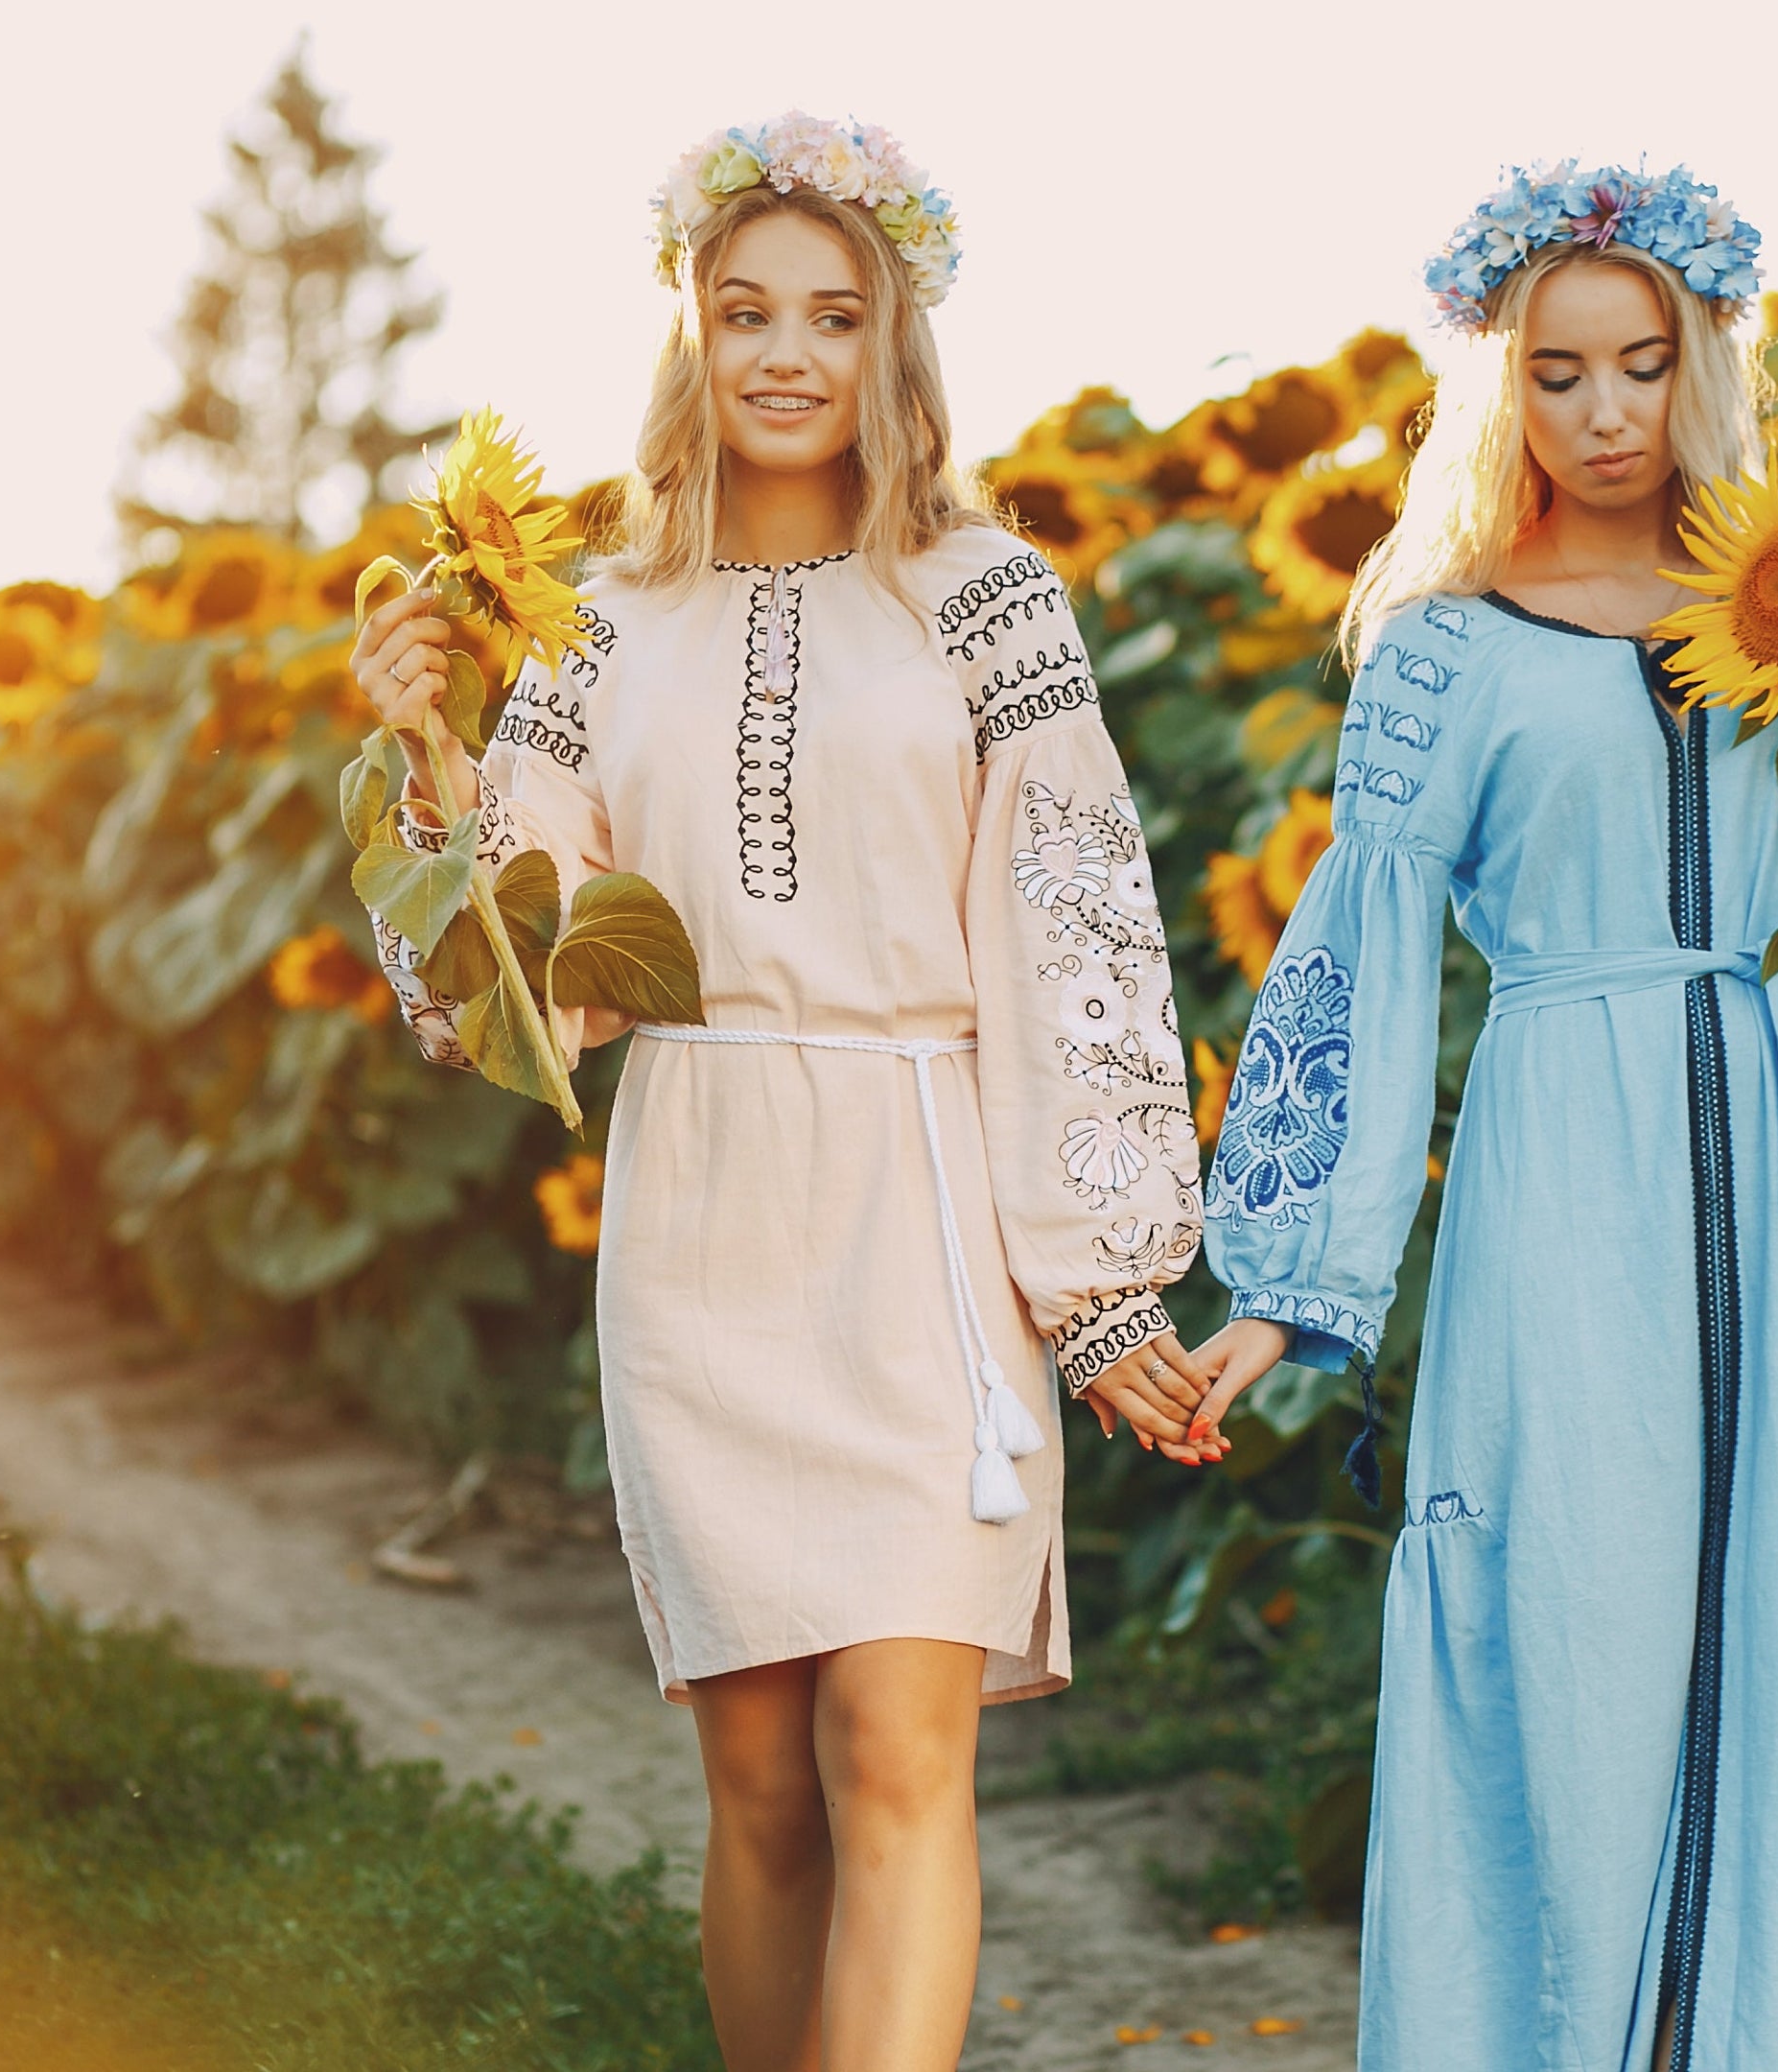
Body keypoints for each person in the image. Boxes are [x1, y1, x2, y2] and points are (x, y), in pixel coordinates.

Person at [348, 114, 1218, 2071]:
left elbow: (1073, 921)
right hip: (703, 1216)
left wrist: (1097, 1288)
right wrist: (426, 766)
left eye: (835, 314)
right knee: (758, 1783)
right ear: (689, 329)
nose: (788, 354)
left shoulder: (986, 593)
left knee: (898, 1749)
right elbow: (527, 989)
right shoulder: (599, 615)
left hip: (926, 1218)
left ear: (894, 338)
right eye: (745, 311)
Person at [1186, 161, 1778, 2069]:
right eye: (1557, 374)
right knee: (1574, 1623)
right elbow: (1371, 954)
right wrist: (1286, 1286)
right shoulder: (1441, 647)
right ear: (1501, 385)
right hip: (1567, 1184)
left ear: (1699, 370)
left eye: (1640, 368)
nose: (1601, 416)